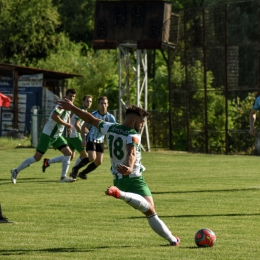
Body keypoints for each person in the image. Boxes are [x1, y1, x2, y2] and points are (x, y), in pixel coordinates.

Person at [57, 98, 180, 246]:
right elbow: (131, 153)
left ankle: (172, 239)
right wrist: (129, 167)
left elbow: (90, 118)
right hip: (133, 178)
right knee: (149, 210)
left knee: (150, 211)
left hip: (118, 178)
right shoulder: (133, 135)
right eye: (142, 122)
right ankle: (120, 194)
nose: (142, 126)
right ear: (133, 121)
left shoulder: (111, 127)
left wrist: (72, 108)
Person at [10, 89, 76, 184]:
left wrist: (69, 126)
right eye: (70, 96)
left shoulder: (69, 106)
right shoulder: (61, 105)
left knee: (68, 153)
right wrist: (66, 125)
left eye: (73, 96)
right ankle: (15, 171)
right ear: (66, 96)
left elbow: (68, 115)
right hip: (48, 135)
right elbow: (54, 116)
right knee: (37, 158)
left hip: (57, 136)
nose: (72, 98)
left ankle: (63, 177)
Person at [42, 95, 93, 172]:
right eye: (87, 101)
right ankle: (74, 172)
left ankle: (47, 162)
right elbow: (77, 124)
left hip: (70, 134)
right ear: (83, 102)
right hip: (75, 135)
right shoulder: (81, 111)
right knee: (85, 155)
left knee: (70, 156)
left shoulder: (80, 110)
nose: (89, 103)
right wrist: (84, 135)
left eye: (90, 101)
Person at [71, 96, 116, 180]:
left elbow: (115, 128)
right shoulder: (94, 115)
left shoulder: (110, 117)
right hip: (91, 138)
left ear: (108, 105)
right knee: (92, 158)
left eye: (105, 103)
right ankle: (75, 168)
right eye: (101, 103)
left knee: (99, 161)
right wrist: (84, 139)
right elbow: (84, 126)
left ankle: (82, 173)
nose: (103, 105)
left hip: (100, 140)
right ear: (98, 104)